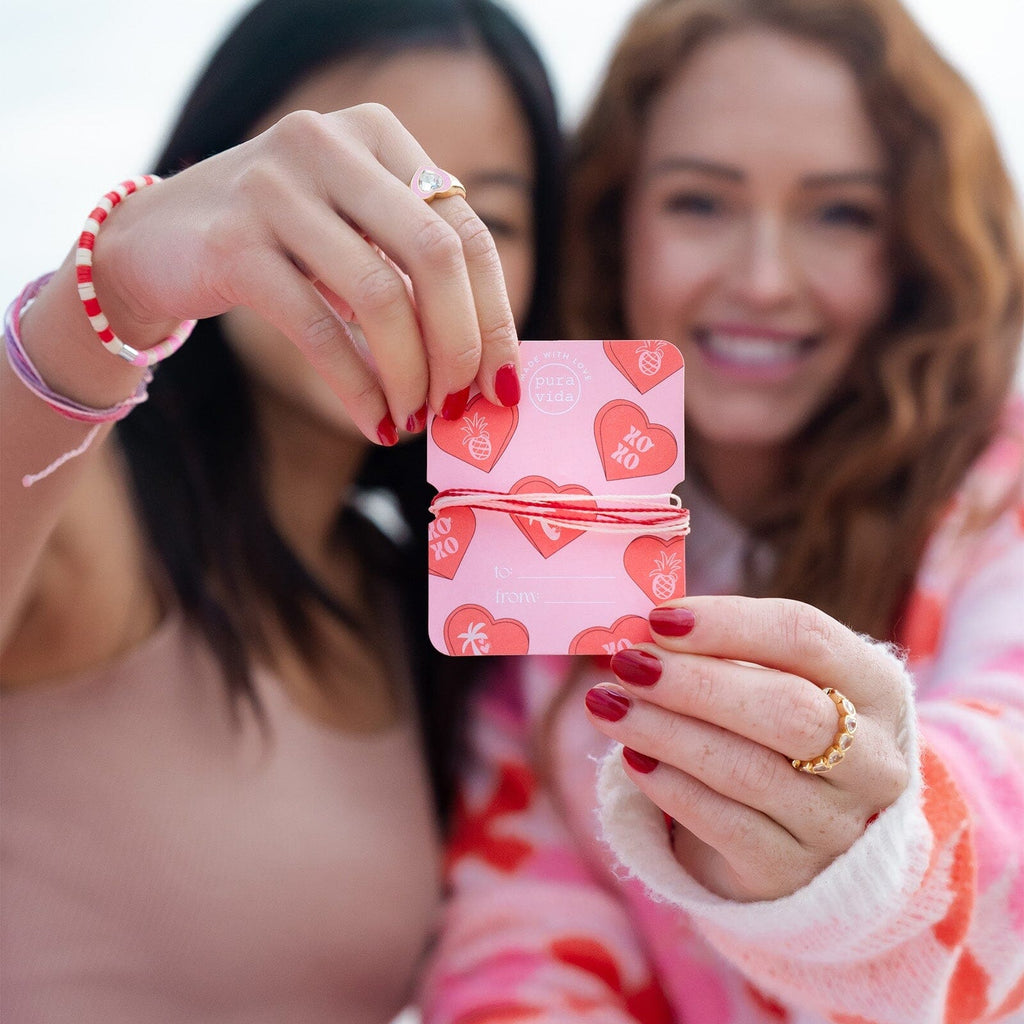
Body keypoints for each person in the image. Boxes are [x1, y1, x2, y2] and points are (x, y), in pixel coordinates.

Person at [419, 0, 1024, 1021]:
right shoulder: (542, 520)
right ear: (614, 224)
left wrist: (879, 845)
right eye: (700, 202)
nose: (762, 279)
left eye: (841, 213)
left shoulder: (999, 491)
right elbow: (524, 935)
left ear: (912, 246)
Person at [0, 0, 562, 1019]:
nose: (415, 249)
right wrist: (111, 291)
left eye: (492, 218)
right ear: (222, 190)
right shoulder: (84, 518)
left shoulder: (417, 603)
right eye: (351, 189)